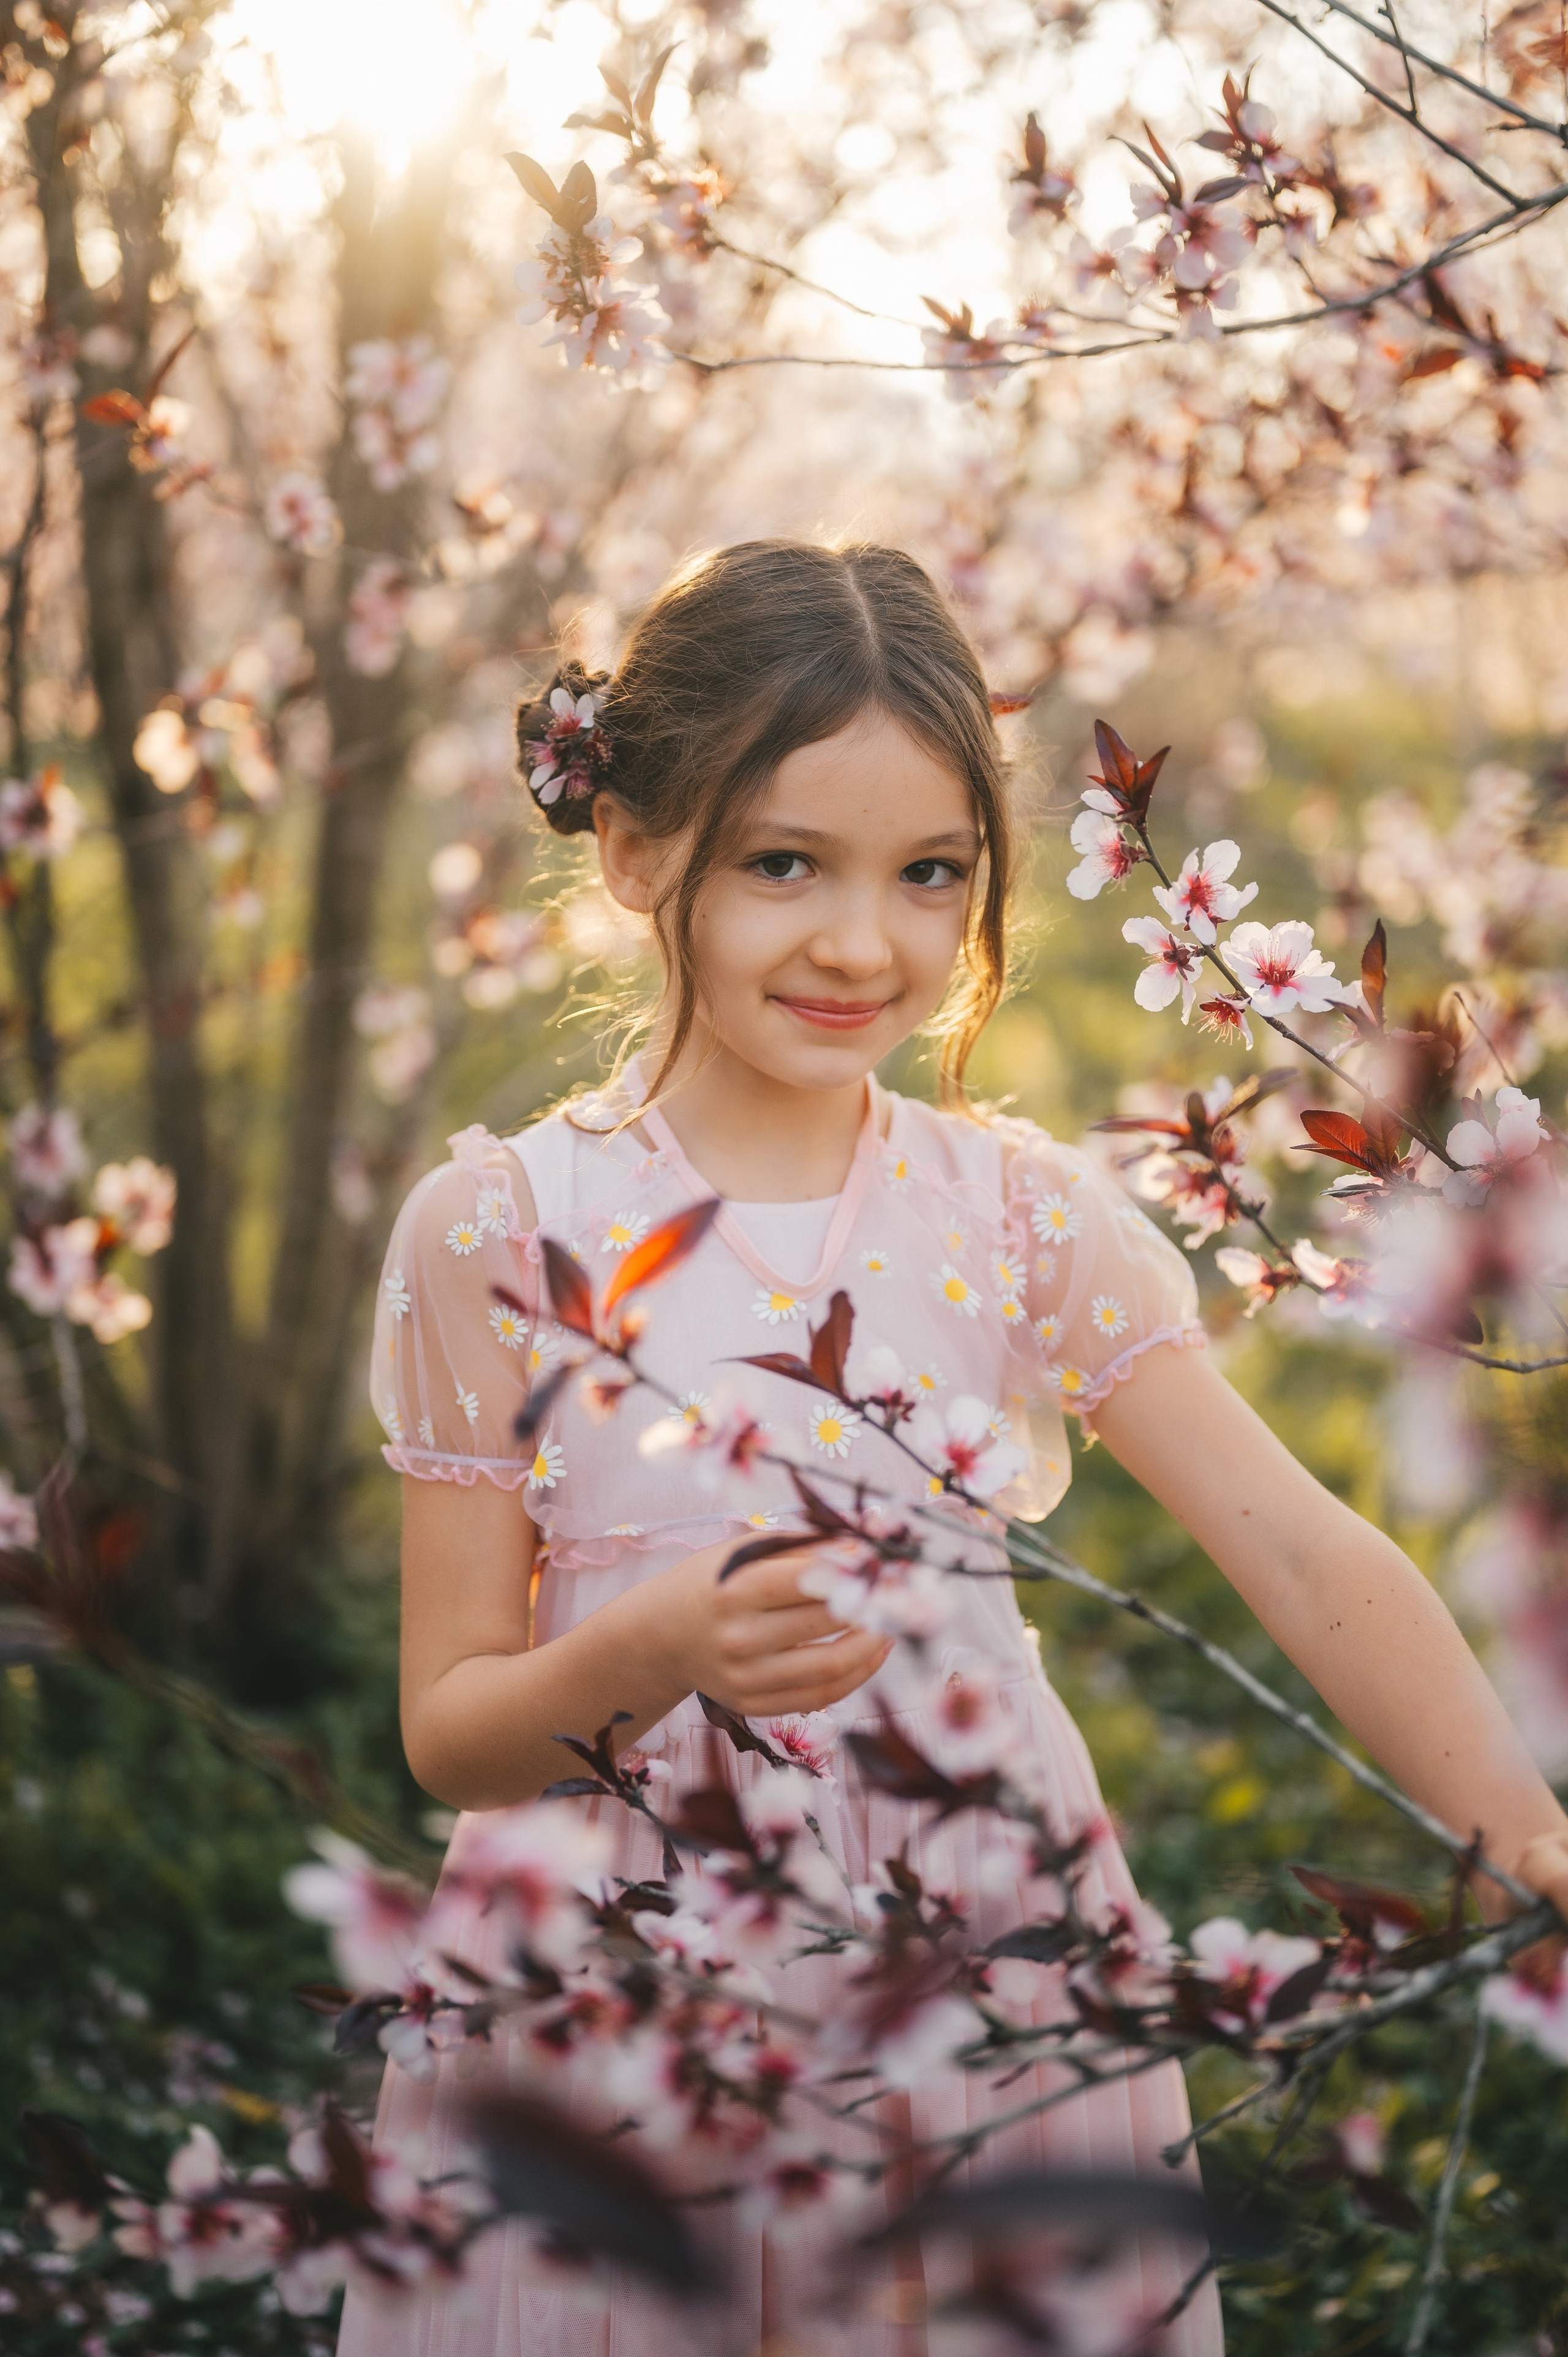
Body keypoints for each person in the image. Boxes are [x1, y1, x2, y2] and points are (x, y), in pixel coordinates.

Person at [340, 539, 1568, 2357]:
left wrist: (1524, 1834)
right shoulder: (500, 1227)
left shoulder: (1009, 1217)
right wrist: (649, 1652)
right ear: (631, 851)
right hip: (618, 1986)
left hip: (979, 1960)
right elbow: (449, 1728)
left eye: (932, 875)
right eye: (783, 866)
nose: (865, 942)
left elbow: (1294, 1545)